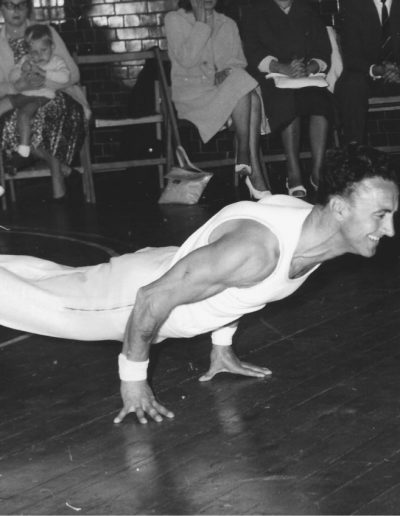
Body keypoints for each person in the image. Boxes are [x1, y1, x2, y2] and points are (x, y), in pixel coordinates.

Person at [0, 145, 397, 424]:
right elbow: (152, 298)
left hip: (166, 269)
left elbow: (237, 288)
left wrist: (221, 348)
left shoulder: (309, 226)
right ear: (340, 208)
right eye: (380, 215)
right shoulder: (257, 251)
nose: (390, 229)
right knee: (20, 299)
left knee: (42, 278)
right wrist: (133, 383)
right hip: (125, 300)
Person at [164, 0, 270, 200]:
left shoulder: (227, 23)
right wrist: (201, 23)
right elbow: (187, 59)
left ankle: (246, 160)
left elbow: (238, 61)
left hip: (223, 92)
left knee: (247, 89)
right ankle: (247, 161)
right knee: (250, 94)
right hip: (193, 96)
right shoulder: (174, 19)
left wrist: (226, 71)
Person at [0, 0, 90, 201]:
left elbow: (73, 74)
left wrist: (43, 81)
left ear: (28, 7)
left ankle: (57, 179)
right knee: (15, 120)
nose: (15, 10)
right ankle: (61, 172)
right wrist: (18, 85)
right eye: (9, 4)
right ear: (1, 8)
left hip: (58, 97)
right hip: (21, 99)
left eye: (21, 4)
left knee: (37, 117)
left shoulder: (45, 32)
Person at [242, 0, 332, 196]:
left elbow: (323, 50)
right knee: (288, 100)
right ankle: (294, 173)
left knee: (321, 100)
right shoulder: (255, 12)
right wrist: (281, 67)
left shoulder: (307, 11)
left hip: (304, 76)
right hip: (270, 79)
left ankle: (317, 172)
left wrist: (311, 67)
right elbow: (251, 51)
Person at [335, 0, 400, 145]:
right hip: (366, 74)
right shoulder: (353, 7)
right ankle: (355, 154)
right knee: (351, 86)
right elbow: (351, 56)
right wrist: (377, 69)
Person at [8, 24, 70, 168]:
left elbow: (64, 77)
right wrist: (21, 70)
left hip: (41, 97)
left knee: (24, 115)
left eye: (43, 50)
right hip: (23, 94)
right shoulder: (26, 60)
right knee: (3, 104)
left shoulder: (56, 61)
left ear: (52, 47)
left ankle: (23, 151)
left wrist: (44, 73)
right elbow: (12, 76)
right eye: (34, 51)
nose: (39, 55)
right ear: (28, 51)